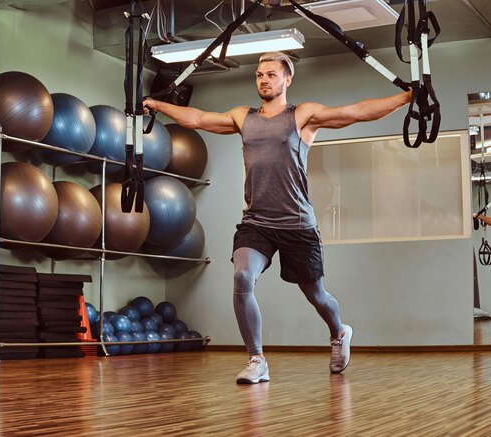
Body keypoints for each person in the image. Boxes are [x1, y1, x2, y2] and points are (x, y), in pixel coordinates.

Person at [143, 51, 412, 384]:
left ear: (287, 79)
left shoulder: (303, 115)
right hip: (256, 222)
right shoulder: (243, 117)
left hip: (298, 224)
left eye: (271, 74)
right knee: (242, 278)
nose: (264, 79)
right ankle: (257, 359)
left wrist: (407, 97)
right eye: (259, 74)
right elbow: (198, 118)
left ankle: (339, 332)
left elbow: (355, 112)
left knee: (317, 296)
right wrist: (158, 105)